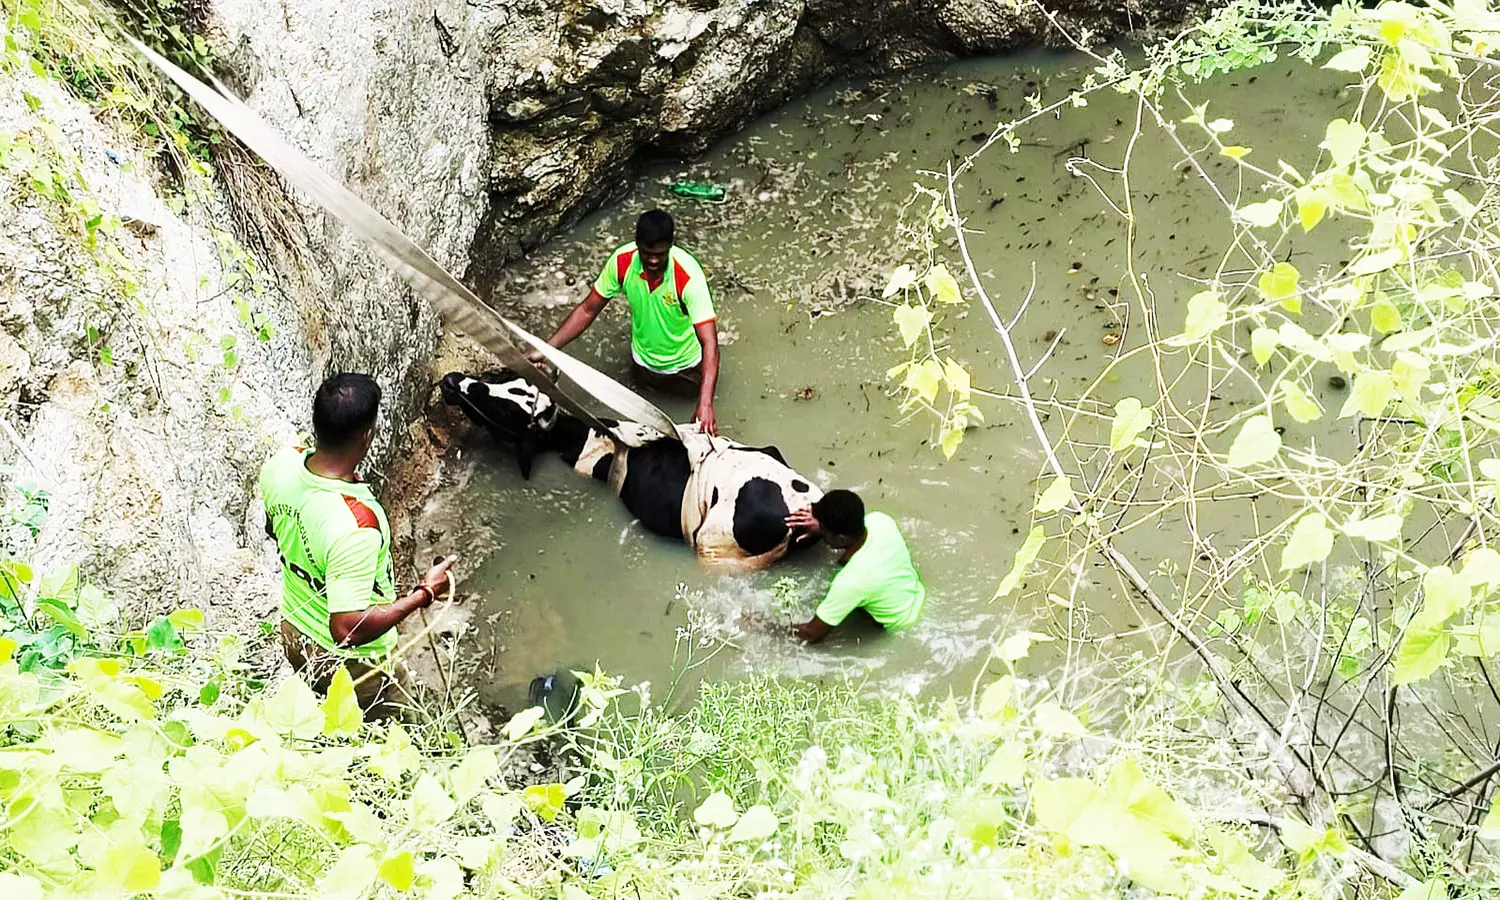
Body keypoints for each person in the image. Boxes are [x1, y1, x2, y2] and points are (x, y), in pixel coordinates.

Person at [259, 372, 457, 719]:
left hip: (293, 634)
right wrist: (424, 593)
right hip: (353, 667)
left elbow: (274, 526)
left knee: (327, 717)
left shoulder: (281, 465)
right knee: (398, 737)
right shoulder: (357, 525)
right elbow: (346, 629)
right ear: (366, 437)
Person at [525, 209, 720, 434]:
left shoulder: (688, 277)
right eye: (647, 253)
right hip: (643, 365)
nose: (653, 260)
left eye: (660, 253)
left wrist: (705, 404)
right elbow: (588, 310)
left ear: (671, 245)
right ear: (637, 243)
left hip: (686, 372)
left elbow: (710, 343)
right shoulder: (622, 262)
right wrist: (546, 349)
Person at [783, 490, 925, 644]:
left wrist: (765, 627)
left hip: (900, 629)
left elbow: (812, 634)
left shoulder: (851, 582)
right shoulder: (881, 521)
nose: (821, 533)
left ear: (841, 538)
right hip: (919, 600)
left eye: (823, 530)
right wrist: (822, 529)